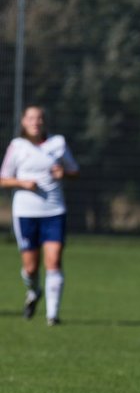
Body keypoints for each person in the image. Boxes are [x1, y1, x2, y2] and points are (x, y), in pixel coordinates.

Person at [0, 105, 78, 325]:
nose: (35, 122)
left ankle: (52, 315)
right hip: (25, 212)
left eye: (39, 118)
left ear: (44, 121)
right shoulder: (17, 147)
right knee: (31, 267)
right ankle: (34, 291)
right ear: (24, 122)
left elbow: (74, 171)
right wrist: (22, 182)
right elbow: (3, 178)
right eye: (31, 118)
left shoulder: (58, 143)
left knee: (53, 260)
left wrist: (64, 173)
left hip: (54, 210)